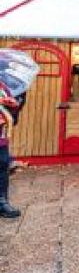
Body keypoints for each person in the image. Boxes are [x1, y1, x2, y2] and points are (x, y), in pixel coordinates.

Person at [0, 90, 25, 218]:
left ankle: (2, 202)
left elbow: (17, 105)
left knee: (3, 165)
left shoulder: (5, 85)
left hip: (1, 133)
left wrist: (14, 105)